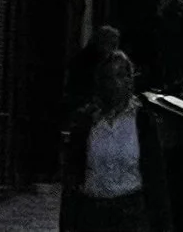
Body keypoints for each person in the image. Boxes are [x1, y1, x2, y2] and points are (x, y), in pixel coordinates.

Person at [60, 51, 166, 232]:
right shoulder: (87, 121)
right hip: (93, 212)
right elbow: (73, 174)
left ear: (130, 81)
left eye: (120, 76)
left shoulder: (142, 121)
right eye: (109, 77)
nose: (115, 84)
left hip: (130, 212)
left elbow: (156, 175)